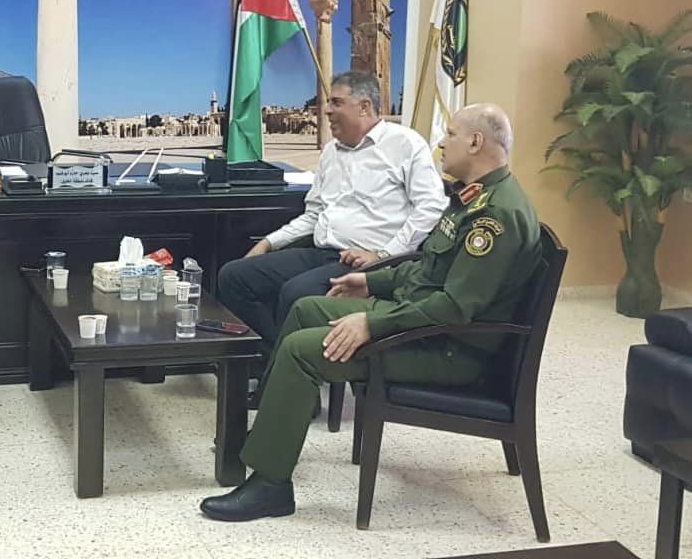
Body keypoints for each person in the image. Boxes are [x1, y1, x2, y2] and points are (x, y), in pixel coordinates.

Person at [199, 104, 541, 522]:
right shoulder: (473, 197)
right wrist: (371, 283)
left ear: (475, 142)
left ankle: (271, 486)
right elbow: (427, 270)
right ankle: (270, 435)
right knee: (305, 309)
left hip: (449, 350)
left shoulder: (495, 216)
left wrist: (371, 323)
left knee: (300, 351)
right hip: (421, 321)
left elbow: (454, 307)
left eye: (450, 134)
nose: (441, 142)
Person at [217, 71, 446, 348]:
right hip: (323, 251)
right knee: (234, 276)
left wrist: (383, 254)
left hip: (371, 262)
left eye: (336, 102)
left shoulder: (406, 144)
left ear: (364, 106)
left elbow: (431, 207)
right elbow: (314, 214)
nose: (326, 110)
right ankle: (274, 357)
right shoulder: (331, 151)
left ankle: (284, 362)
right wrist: (268, 242)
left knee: (297, 292)